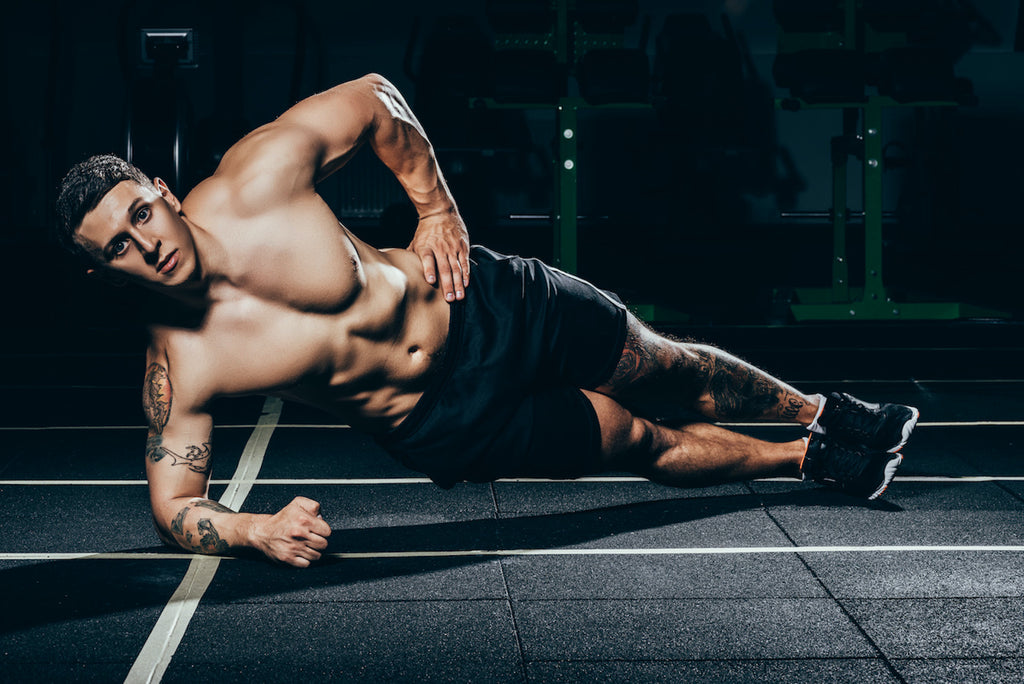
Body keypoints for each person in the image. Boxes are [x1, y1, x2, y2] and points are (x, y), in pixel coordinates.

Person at [55, 73, 918, 568]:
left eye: (139, 215)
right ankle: (809, 458)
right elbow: (174, 507)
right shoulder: (182, 366)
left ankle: (825, 412)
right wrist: (255, 530)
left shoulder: (256, 178)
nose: (145, 243)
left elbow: (375, 100)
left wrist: (435, 212)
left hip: (481, 299)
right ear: (105, 275)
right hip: (442, 418)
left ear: (160, 193)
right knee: (638, 443)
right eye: (117, 250)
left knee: (663, 365)